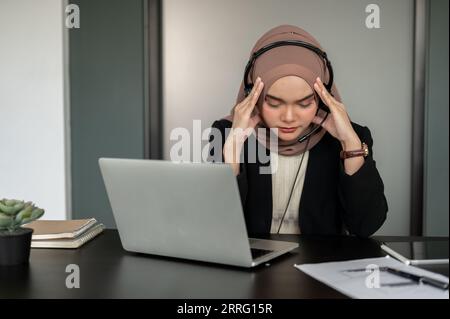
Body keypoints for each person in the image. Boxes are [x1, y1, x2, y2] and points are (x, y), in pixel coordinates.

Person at [208, 25, 387, 237]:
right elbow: (216, 227)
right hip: (252, 266)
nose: (289, 117)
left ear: (321, 98)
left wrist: (350, 144)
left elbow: (365, 226)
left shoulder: (351, 139)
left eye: (304, 103)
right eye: (274, 103)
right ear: (252, 96)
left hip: (321, 265)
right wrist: (233, 147)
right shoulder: (226, 133)